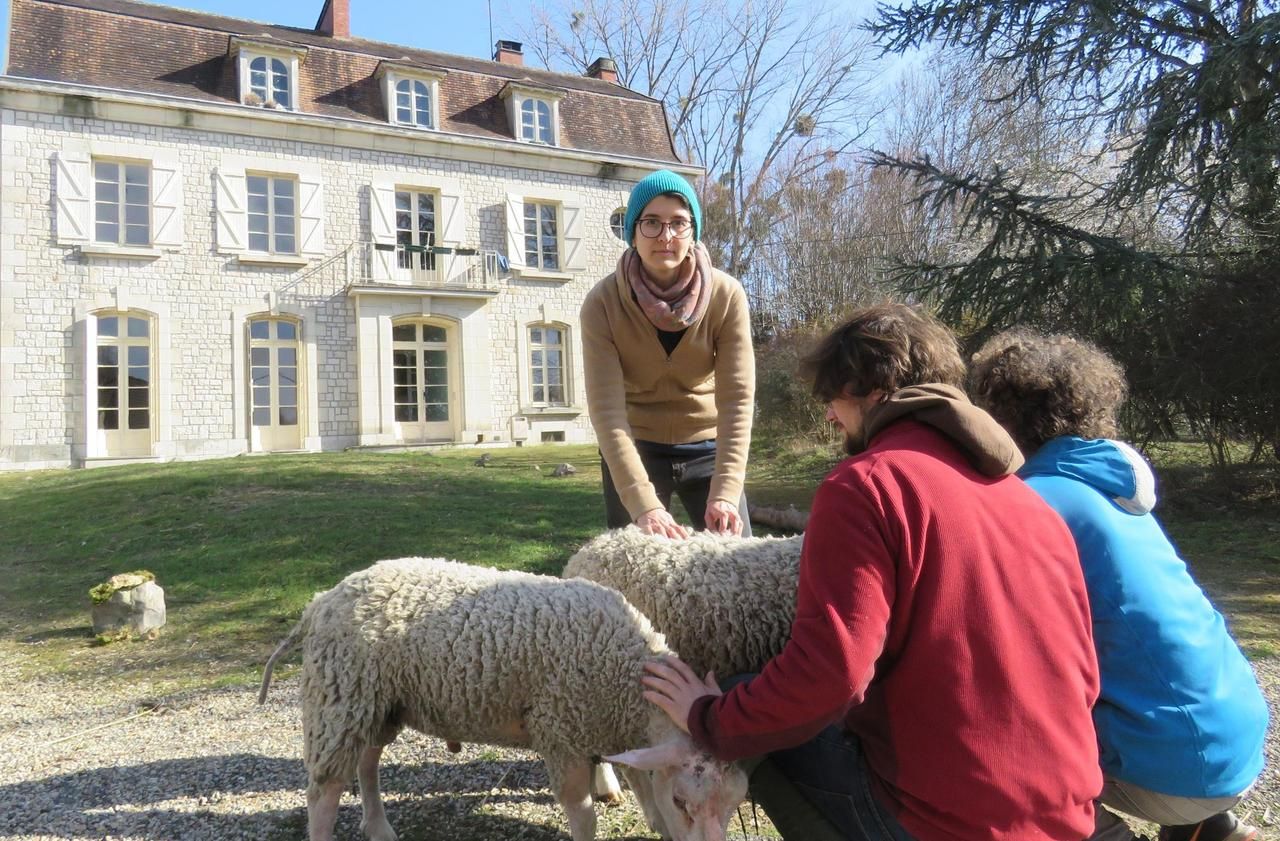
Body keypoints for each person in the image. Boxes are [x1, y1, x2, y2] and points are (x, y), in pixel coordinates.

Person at [641, 304, 1102, 840]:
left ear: (872, 392)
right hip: (1065, 814)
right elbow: (1083, 669)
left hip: (950, 824)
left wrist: (707, 718)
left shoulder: (866, 487)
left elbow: (830, 676)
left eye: (834, 398)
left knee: (746, 704)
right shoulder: (1028, 501)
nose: (831, 417)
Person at [969, 330, 1269, 841]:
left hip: (1180, 768)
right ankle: (1209, 830)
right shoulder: (1106, 486)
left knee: (988, 753)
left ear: (1000, 416)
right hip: (1234, 735)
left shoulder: (1034, 503)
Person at [581, 169, 754, 539]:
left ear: (694, 230)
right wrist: (643, 506)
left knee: (738, 566)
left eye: (679, 222)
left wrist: (725, 493)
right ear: (632, 231)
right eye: (652, 223)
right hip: (635, 447)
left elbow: (737, 399)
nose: (666, 236)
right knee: (632, 573)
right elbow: (607, 412)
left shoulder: (727, 296)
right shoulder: (602, 304)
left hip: (709, 448)